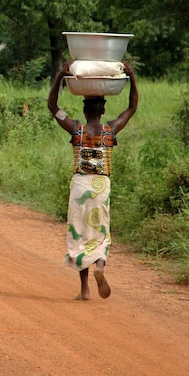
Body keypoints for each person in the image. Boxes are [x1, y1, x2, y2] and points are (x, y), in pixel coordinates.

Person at [47, 60, 138, 300]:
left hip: (80, 187)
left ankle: (85, 289)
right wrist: (132, 78)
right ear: (103, 110)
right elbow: (131, 108)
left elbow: (53, 106)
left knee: (80, 233)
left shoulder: (75, 130)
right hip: (101, 187)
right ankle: (100, 267)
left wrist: (60, 75)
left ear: (86, 111)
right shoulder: (111, 129)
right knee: (100, 231)